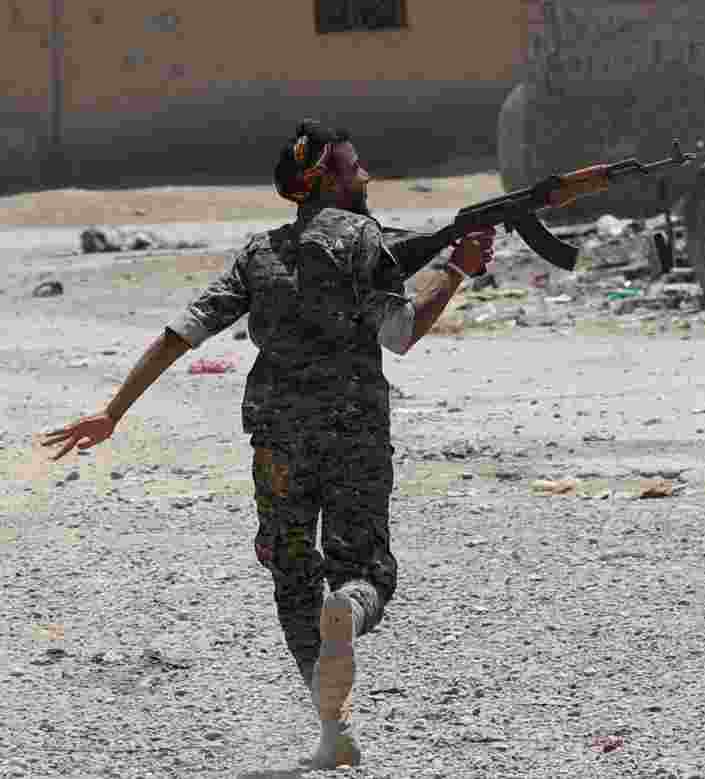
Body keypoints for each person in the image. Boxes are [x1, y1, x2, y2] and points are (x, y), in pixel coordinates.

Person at [41, 119, 496, 768]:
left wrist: (111, 412)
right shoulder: (365, 238)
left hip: (277, 440)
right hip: (354, 432)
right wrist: (457, 269)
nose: (366, 177)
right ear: (327, 183)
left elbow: (180, 334)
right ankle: (350, 608)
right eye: (354, 167)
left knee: (290, 576)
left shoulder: (260, 254)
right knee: (365, 572)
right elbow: (399, 332)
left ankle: (331, 728)